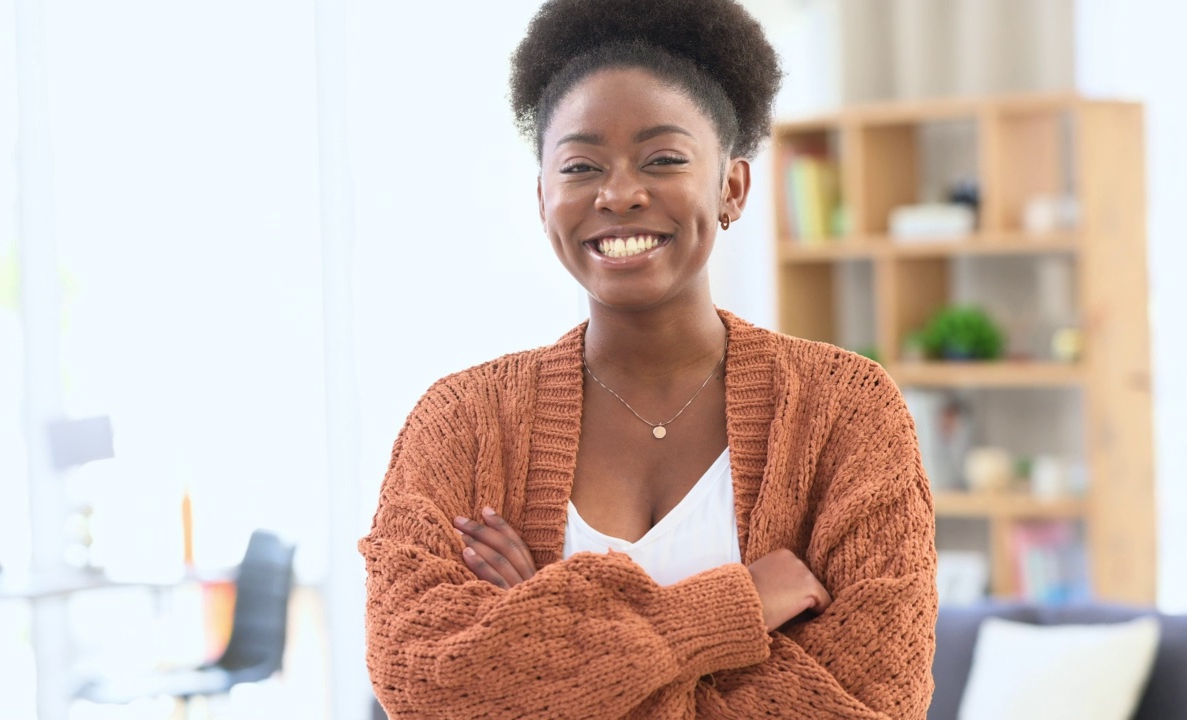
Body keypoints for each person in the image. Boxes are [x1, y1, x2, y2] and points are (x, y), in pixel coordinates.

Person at [359, 0, 937, 717]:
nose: (620, 192)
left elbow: (876, 701)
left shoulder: (847, 410)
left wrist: (542, 636)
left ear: (732, 186)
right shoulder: (461, 424)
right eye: (580, 166)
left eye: (663, 159)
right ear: (544, 199)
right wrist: (731, 611)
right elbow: (425, 681)